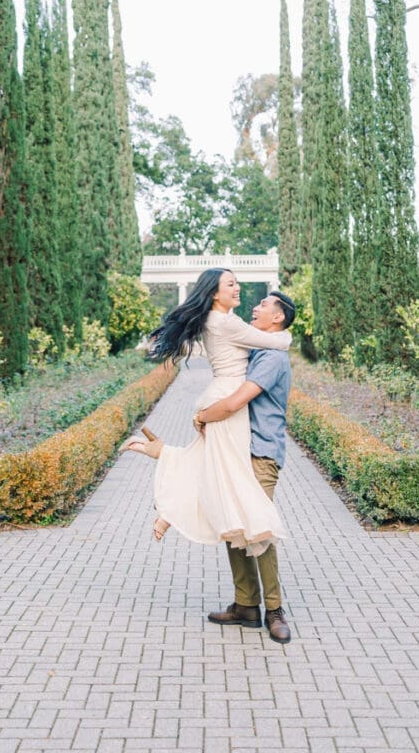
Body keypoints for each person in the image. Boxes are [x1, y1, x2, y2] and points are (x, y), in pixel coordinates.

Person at [122, 268, 292, 560]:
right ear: (214, 292)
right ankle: (172, 500)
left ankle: (167, 498)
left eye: (237, 282)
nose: (238, 288)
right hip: (227, 398)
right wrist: (287, 334)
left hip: (220, 391)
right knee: (226, 472)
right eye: (231, 284)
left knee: (210, 462)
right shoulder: (224, 323)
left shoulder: (220, 321)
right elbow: (277, 342)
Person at [193, 290, 295, 644]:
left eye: (264, 305)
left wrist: (203, 415)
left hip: (261, 453)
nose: (255, 306)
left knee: (258, 527)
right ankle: (246, 605)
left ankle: (275, 609)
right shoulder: (254, 349)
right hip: (237, 448)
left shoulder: (271, 356)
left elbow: (237, 400)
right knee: (233, 522)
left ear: (278, 318)